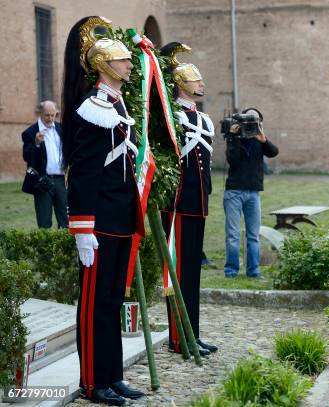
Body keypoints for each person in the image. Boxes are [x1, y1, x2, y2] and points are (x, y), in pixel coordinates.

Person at [61, 16, 145, 405]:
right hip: (98, 222)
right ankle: (94, 381)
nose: (129, 65)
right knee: (95, 305)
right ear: (105, 66)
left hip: (119, 218)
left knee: (112, 301)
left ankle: (112, 375)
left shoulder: (116, 103)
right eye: (123, 61)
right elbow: (84, 172)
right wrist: (81, 228)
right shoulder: (92, 106)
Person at [159, 42, 217, 357]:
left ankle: (192, 333)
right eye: (196, 80)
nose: (201, 84)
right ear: (182, 83)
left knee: (192, 273)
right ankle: (179, 337)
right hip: (179, 204)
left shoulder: (202, 119)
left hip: (198, 204)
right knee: (179, 274)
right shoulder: (174, 117)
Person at [224, 107, 279, 278]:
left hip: (253, 193)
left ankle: (253, 271)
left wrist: (263, 140)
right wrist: (234, 137)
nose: (250, 123)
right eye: (247, 119)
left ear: (259, 123)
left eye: (254, 119)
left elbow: (274, 152)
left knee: (253, 235)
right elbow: (232, 160)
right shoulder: (235, 138)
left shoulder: (259, 139)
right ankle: (231, 271)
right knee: (232, 235)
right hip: (234, 192)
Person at [21, 101, 68, 228]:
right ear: (40, 113)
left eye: (53, 115)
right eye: (47, 115)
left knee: (65, 221)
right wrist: (36, 144)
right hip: (43, 180)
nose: (50, 118)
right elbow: (27, 158)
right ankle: (44, 248)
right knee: (44, 222)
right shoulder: (30, 133)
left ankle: (65, 247)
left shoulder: (60, 128)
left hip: (60, 181)